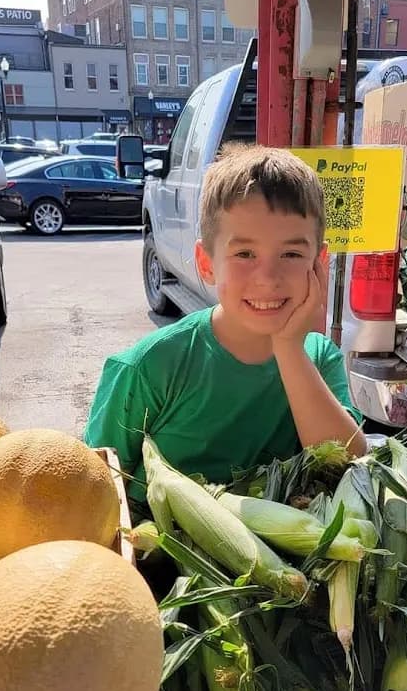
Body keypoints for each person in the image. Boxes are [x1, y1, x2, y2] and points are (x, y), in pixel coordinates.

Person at [84, 144, 366, 503]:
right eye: (244, 254)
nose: (268, 278)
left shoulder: (319, 358)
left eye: (292, 254)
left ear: (318, 263)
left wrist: (288, 348)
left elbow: (349, 467)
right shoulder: (150, 367)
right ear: (206, 262)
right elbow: (93, 485)